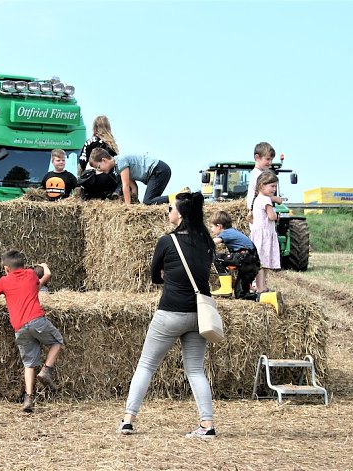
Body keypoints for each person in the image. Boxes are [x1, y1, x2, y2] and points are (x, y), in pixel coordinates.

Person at [119, 189, 217, 438]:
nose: (168, 211)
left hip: (170, 312)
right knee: (195, 370)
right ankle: (207, 425)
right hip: (199, 314)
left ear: (181, 214)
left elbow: (154, 276)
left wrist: (168, 275)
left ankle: (129, 419)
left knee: (146, 365)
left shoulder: (167, 241)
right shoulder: (206, 242)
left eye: (171, 208)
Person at [0, 251, 63, 413]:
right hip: (36, 320)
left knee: (28, 363)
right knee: (57, 342)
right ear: (23, 264)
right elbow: (46, 275)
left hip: (19, 327)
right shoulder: (30, 274)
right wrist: (43, 266)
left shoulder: (4, 281)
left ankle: (29, 398)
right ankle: (46, 371)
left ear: (6, 268)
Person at [209, 210, 260, 300]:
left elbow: (212, 243)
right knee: (241, 295)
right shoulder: (233, 231)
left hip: (246, 258)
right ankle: (268, 297)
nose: (211, 229)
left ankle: (225, 288)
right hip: (252, 263)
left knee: (218, 258)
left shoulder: (226, 232)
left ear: (219, 226)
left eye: (212, 226)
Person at [90, 150, 171, 205]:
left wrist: (128, 208)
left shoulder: (121, 161)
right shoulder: (118, 168)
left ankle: (177, 197)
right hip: (158, 171)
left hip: (158, 170)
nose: (99, 170)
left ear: (104, 160)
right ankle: (177, 200)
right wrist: (135, 204)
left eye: (98, 167)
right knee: (150, 202)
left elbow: (126, 185)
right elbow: (134, 187)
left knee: (148, 202)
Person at [250, 170, 280, 293]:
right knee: (263, 262)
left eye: (275, 186)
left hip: (258, 234)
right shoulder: (267, 201)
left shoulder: (257, 199)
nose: (274, 189)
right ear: (262, 185)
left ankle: (259, 286)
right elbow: (271, 217)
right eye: (272, 186)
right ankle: (262, 287)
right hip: (265, 235)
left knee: (260, 262)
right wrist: (277, 216)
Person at [246, 142, 282, 218]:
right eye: (268, 159)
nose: (270, 163)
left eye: (271, 160)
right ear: (257, 157)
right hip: (259, 214)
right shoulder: (258, 175)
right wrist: (276, 199)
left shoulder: (258, 173)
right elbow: (261, 197)